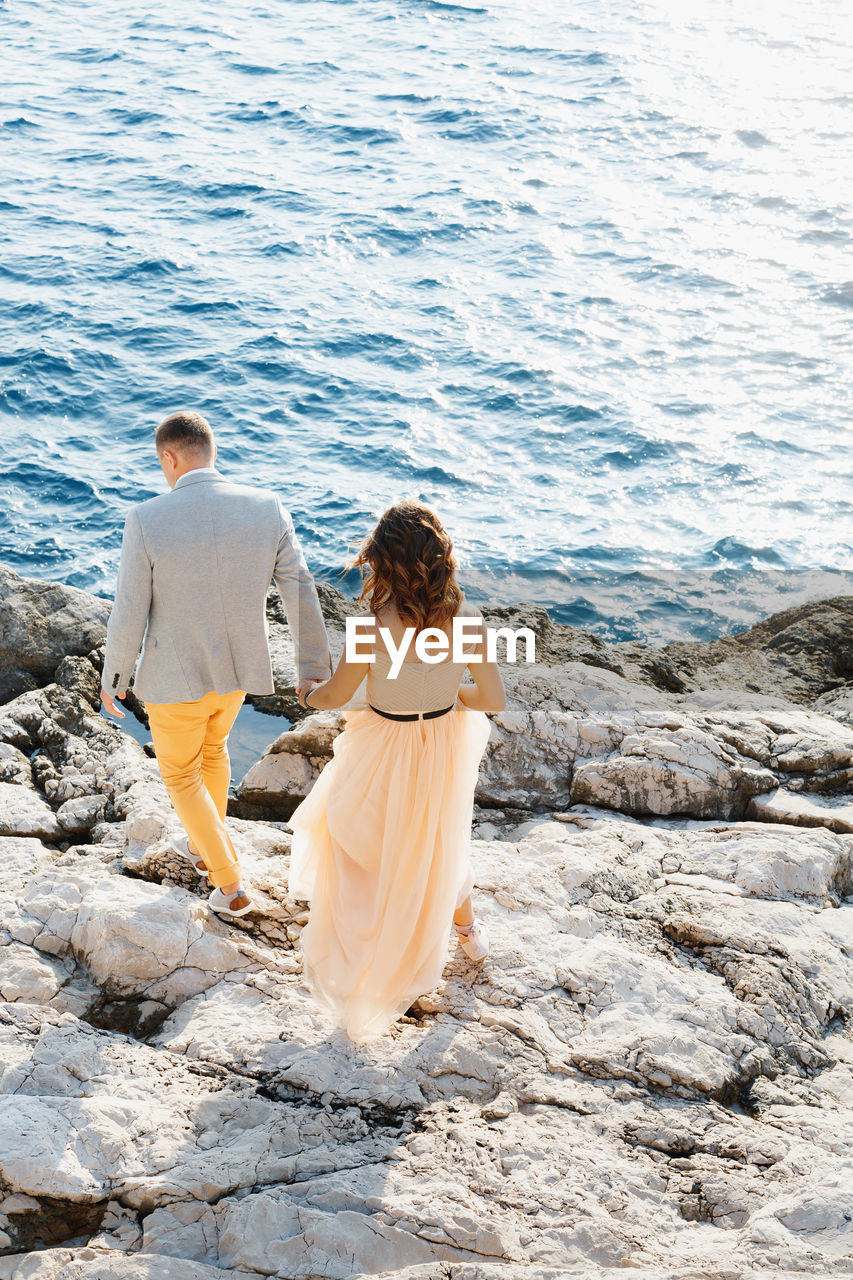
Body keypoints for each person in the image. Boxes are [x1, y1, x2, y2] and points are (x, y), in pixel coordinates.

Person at [288, 498, 506, 1044]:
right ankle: (469, 933)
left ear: (384, 562)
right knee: (436, 838)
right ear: (439, 558)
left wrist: (310, 695)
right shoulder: (468, 622)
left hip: (384, 742)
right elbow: (494, 699)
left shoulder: (371, 626)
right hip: (441, 740)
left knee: (351, 837)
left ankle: (372, 951)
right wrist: (450, 688)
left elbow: (339, 693)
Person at [100, 411, 332, 917]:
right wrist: (313, 668)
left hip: (173, 680)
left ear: (169, 457)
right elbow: (300, 590)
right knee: (213, 753)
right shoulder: (267, 507)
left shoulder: (146, 518)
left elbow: (129, 609)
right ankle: (207, 851)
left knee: (180, 776)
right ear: (213, 450)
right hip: (236, 673)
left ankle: (230, 885)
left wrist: (114, 679)